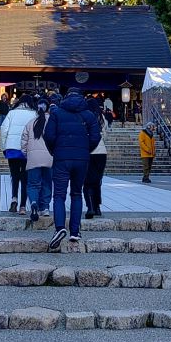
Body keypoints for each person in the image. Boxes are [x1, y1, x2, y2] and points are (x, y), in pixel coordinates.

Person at [42, 86, 100, 252]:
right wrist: (85, 149)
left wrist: (55, 150)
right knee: (76, 193)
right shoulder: (88, 115)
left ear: (65, 97)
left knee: (59, 195)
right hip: (82, 159)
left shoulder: (57, 113)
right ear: (81, 97)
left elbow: (48, 136)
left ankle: (60, 227)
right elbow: (96, 136)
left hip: (61, 158)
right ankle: (75, 231)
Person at [0, 95, 36, 213]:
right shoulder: (33, 114)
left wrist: (4, 147)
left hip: (12, 148)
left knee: (14, 176)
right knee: (25, 178)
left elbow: (4, 129)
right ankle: (23, 206)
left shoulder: (12, 113)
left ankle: (14, 198)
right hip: (28, 149)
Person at [21, 98, 53, 223]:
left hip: (33, 158)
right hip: (50, 157)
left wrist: (26, 154)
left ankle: (34, 202)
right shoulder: (52, 121)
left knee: (33, 184)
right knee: (47, 183)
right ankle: (44, 208)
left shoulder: (30, 123)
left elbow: (23, 142)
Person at [82, 98, 109, 219]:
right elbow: (106, 135)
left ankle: (90, 207)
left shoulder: (84, 117)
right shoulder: (102, 118)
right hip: (101, 152)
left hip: (88, 151)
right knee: (97, 181)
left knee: (87, 181)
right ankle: (97, 207)